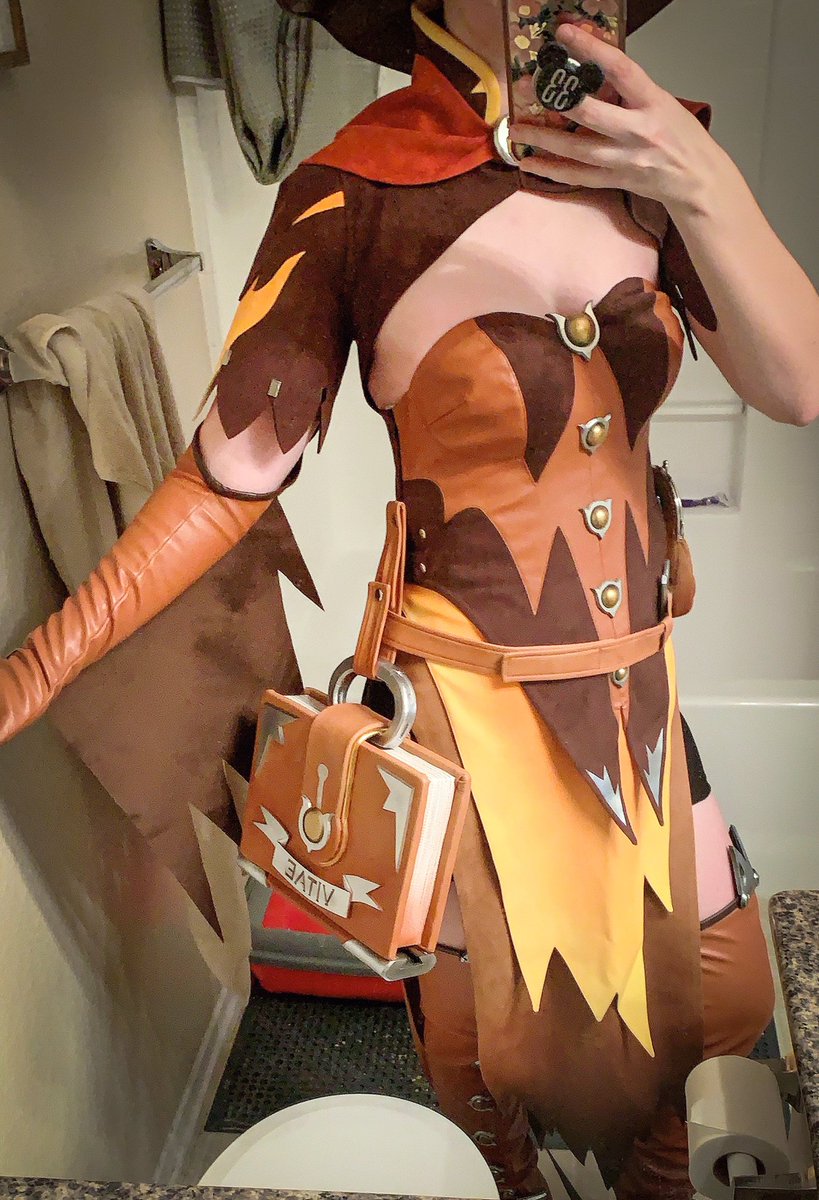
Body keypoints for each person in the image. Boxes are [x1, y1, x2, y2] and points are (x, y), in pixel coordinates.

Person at [2, 1, 817, 1195]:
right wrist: (37, 664)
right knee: (478, 1033)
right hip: (466, 703)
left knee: (726, 991)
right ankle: (505, 1181)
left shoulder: (658, 167)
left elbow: (797, 382)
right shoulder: (354, 191)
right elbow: (230, 475)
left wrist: (699, 179)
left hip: (634, 688)